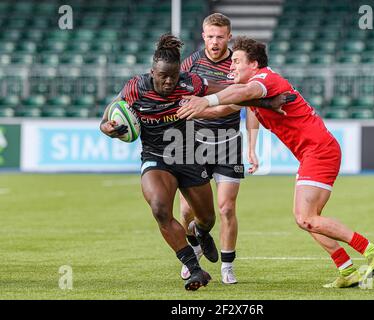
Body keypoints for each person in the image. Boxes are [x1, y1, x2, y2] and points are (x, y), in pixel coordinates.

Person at [177, 36, 374, 288]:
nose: (231, 66)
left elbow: (241, 93)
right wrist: (184, 109)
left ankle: (371, 250)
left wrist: (207, 99)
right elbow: (226, 109)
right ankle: (347, 270)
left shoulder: (265, 79)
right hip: (312, 152)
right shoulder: (253, 91)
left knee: (305, 217)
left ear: (254, 64)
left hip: (319, 151)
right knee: (309, 219)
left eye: (236, 61)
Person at [100, 34, 290, 290]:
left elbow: (228, 92)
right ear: (152, 71)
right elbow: (107, 118)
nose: (168, 81)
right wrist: (108, 128)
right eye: (162, 76)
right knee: (160, 209)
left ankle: (200, 233)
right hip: (156, 157)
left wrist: (266, 102)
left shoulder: (190, 83)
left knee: (208, 219)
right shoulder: (135, 88)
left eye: (173, 76)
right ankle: (194, 268)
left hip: (190, 157)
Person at [178, 13, 257, 284]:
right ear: (203, 36)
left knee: (226, 208)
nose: (215, 41)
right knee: (187, 210)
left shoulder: (237, 65)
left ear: (229, 37)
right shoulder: (190, 64)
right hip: (193, 144)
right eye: (210, 36)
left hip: (227, 143)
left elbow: (248, 103)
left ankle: (227, 266)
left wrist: (252, 147)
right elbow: (177, 97)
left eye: (220, 37)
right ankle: (197, 243)